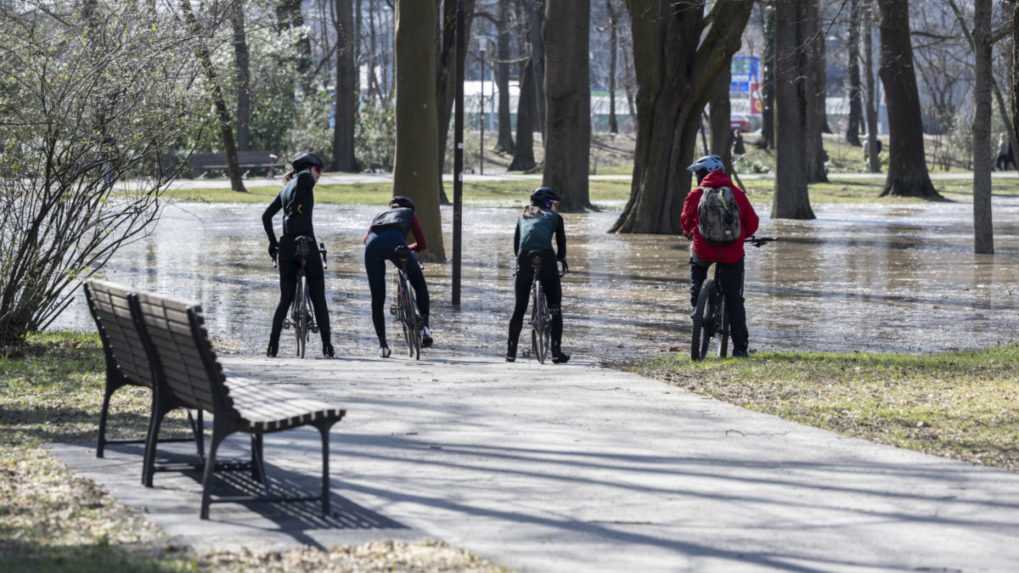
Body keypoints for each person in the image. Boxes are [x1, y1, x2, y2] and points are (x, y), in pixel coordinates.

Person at [680, 154, 759, 358]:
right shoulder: (737, 194)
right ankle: (740, 349)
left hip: (703, 249)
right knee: (734, 299)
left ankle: (698, 307)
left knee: (698, 272)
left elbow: (686, 221)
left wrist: (691, 233)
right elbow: (752, 223)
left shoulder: (696, 194)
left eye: (697, 174)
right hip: (732, 253)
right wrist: (740, 236)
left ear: (704, 174)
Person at [262, 152, 334, 358]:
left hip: (286, 246)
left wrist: (272, 243)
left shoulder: (285, 188)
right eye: (318, 170)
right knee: (318, 295)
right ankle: (327, 346)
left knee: (285, 298)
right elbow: (304, 180)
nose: (319, 175)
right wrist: (296, 208)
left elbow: (266, 216)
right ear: (309, 169)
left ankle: (272, 346)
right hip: (306, 243)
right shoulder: (304, 179)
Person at [506, 187, 570, 364]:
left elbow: (517, 245)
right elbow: (561, 243)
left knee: (519, 308)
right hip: (547, 257)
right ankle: (556, 352)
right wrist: (561, 259)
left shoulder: (523, 215)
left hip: (524, 257)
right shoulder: (556, 218)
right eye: (554, 203)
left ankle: (510, 353)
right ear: (548, 203)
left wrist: (520, 262)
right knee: (555, 307)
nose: (555, 207)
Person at [364, 196, 432, 358]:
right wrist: (408, 248)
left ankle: (383, 346)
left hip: (372, 247)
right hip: (397, 245)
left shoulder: (380, 215)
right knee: (419, 285)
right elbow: (422, 244)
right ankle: (425, 328)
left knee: (377, 299)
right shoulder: (409, 213)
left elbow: (365, 239)